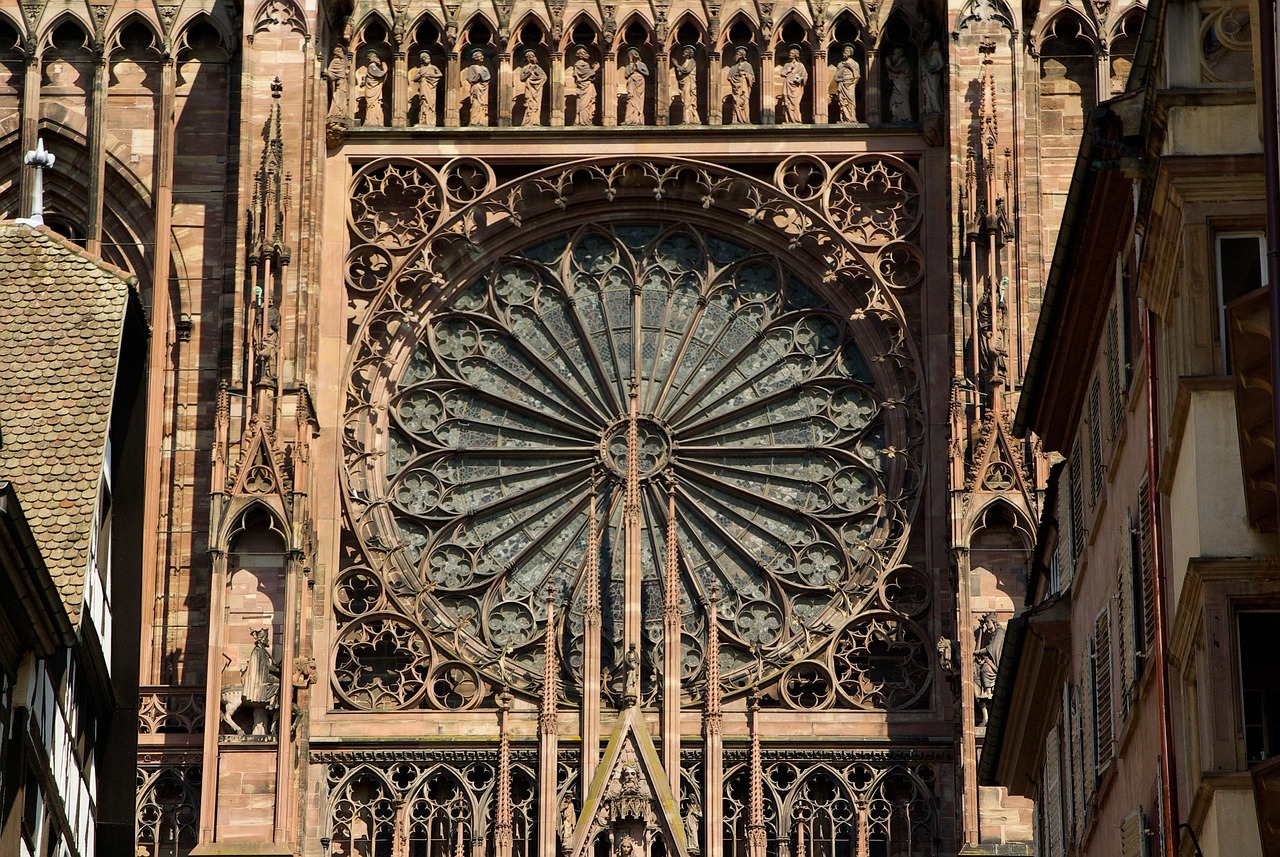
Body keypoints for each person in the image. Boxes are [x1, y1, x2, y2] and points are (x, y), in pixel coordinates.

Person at [973, 612, 1005, 726]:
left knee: (985, 669)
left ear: (994, 622)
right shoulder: (994, 633)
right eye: (986, 622)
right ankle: (986, 692)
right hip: (991, 661)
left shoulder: (1000, 632)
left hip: (997, 663)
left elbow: (992, 648)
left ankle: (988, 691)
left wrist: (979, 652)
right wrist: (981, 630)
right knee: (981, 669)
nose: (987, 624)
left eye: (988, 622)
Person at [570, 45, 600, 125]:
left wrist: (592, 69)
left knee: (588, 103)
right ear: (579, 55)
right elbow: (585, 75)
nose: (586, 54)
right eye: (583, 52)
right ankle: (583, 120)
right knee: (584, 104)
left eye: (585, 52)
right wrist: (595, 69)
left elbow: (588, 74)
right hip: (584, 87)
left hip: (588, 86)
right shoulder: (579, 64)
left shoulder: (585, 64)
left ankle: (586, 119)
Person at [410, 52, 442, 126]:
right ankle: (423, 120)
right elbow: (415, 78)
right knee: (423, 101)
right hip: (423, 85)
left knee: (431, 102)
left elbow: (440, 74)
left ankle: (430, 121)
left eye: (427, 57)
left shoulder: (433, 67)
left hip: (431, 87)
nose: (426, 59)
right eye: (424, 58)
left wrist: (430, 75)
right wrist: (421, 75)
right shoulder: (421, 69)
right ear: (422, 60)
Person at [776, 46, 807, 123]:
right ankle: (789, 119)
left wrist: (800, 79)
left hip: (796, 86)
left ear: (796, 55)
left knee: (796, 103)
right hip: (787, 84)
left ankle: (796, 119)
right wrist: (788, 70)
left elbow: (805, 76)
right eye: (789, 53)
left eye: (792, 53)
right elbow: (782, 74)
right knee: (788, 102)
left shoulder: (800, 65)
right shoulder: (787, 65)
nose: (790, 54)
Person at [356, 50, 387, 125]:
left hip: (375, 89)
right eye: (375, 57)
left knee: (376, 104)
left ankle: (375, 120)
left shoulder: (374, 67)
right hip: (372, 91)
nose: (377, 59)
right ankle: (372, 121)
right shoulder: (372, 67)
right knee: (372, 105)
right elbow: (380, 74)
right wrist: (385, 67)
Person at [516, 49, 546, 126]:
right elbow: (522, 78)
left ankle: (535, 121)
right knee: (530, 103)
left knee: (536, 104)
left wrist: (537, 75)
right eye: (529, 56)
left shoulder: (538, 68)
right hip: (529, 87)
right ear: (527, 58)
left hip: (538, 88)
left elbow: (544, 77)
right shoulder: (525, 68)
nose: (531, 57)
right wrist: (529, 73)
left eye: (533, 56)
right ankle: (528, 121)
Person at [725, 46, 754, 124]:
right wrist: (734, 82)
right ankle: (736, 120)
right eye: (736, 53)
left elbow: (752, 78)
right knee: (736, 103)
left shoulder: (748, 65)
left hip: (744, 87)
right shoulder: (734, 67)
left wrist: (744, 74)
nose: (737, 55)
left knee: (744, 102)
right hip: (736, 88)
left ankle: (745, 119)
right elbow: (729, 77)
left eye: (738, 53)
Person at [462, 48, 491, 126]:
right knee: (476, 103)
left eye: (482, 56)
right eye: (479, 56)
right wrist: (476, 78)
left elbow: (488, 77)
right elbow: (469, 78)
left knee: (483, 104)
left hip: (484, 88)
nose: (481, 57)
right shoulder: (472, 67)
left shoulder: (485, 68)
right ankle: (474, 120)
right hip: (476, 87)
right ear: (475, 58)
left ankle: (482, 120)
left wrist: (481, 77)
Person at [833, 43, 860, 123]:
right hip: (842, 85)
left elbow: (857, 76)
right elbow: (836, 77)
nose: (845, 53)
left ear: (851, 53)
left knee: (851, 101)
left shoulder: (854, 63)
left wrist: (850, 67)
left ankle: (851, 118)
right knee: (842, 102)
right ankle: (845, 118)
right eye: (844, 51)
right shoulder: (840, 64)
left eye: (847, 51)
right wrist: (841, 77)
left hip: (850, 85)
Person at [674, 45, 700, 124]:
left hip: (689, 82)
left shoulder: (692, 62)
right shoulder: (685, 62)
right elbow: (680, 74)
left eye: (685, 51)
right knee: (685, 100)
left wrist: (677, 65)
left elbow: (686, 70)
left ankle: (690, 119)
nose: (683, 53)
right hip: (685, 83)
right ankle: (686, 119)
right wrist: (677, 69)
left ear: (689, 53)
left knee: (688, 100)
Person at [622, 47, 648, 125]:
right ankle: (629, 119)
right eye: (630, 54)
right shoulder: (628, 66)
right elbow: (626, 75)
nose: (632, 56)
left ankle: (638, 118)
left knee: (639, 101)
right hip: (631, 83)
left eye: (633, 54)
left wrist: (637, 67)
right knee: (630, 100)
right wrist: (632, 67)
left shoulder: (642, 64)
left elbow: (647, 73)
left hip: (640, 83)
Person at [886, 45, 913, 122]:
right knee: (894, 100)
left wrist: (889, 65)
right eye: (894, 53)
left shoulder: (903, 61)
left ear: (900, 53)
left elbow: (896, 70)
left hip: (903, 83)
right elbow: (892, 74)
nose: (895, 55)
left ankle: (907, 117)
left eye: (896, 53)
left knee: (904, 100)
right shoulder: (898, 61)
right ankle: (896, 116)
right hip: (897, 84)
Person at [324, 45, 349, 119]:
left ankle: (342, 113)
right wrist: (333, 77)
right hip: (338, 85)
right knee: (337, 98)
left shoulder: (343, 62)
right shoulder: (335, 61)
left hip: (343, 83)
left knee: (343, 98)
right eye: (341, 52)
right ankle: (336, 112)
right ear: (337, 53)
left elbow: (344, 73)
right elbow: (330, 72)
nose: (343, 53)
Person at [922, 39, 944, 116]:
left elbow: (941, 65)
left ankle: (936, 108)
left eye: (936, 44)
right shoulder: (930, 54)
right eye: (934, 44)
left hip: (934, 75)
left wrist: (934, 70)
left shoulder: (937, 53)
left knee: (934, 91)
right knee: (928, 92)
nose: (934, 46)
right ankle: (929, 109)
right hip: (928, 74)